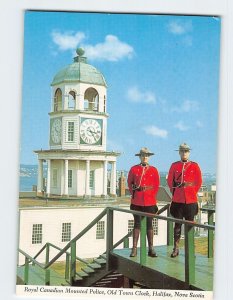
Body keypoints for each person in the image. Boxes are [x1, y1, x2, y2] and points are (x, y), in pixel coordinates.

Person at [167, 143, 202, 258]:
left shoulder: (195, 166)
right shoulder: (174, 166)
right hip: (178, 200)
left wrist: (191, 192)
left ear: (189, 153)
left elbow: (198, 182)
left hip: (191, 201)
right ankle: (176, 248)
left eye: (186, 151)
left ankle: (190, 250)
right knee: (177, 226)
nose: (184, 153)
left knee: (190, 226)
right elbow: (170, 182)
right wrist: (176, 193)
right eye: (182, 151)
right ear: (179, 153)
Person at [127, 147, 160, 258]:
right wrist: (135, 194)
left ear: (149, 157)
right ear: (140, 157)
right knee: (137, 224)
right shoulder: (134, 169)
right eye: (143, 155)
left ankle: (151, 248)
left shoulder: (154, 170)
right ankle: (134, 249)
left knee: (149, 225)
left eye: (147, 156)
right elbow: (129, 183)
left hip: (150, 202)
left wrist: (151, 195)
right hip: (137, 201)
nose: (145, 157)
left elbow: (156, 186)